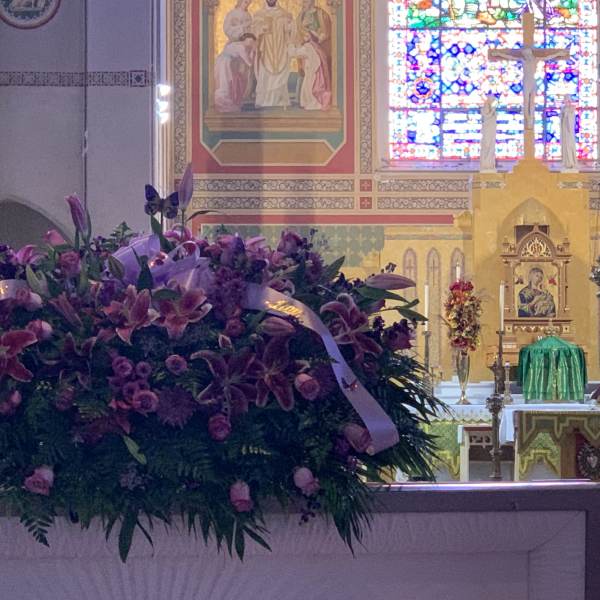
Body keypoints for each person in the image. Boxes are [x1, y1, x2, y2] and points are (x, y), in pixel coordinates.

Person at [252, 0, 294, 108]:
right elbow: (254, 31)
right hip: (266, 49)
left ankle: (279, 99)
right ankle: (265, 100)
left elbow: (289, 32)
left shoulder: (284, 14)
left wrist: (290, 27)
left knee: (279, 75)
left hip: (280, 48)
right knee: (265, 74)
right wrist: (261, 28)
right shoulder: (259, 14)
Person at [293, 0, 331, 110]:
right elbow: (297, 33)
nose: (303, 2)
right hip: (306, 49)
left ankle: (315, 100)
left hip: (318, 49)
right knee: (307, 75)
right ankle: (306, 100)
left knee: (315, 74)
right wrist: (302, 39)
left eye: (306, 1)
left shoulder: (321, 14)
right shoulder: (301, 16)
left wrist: (317, 36)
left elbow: (326, 32)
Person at [214, 33, 256, 113]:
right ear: (244, 40)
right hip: (226, 63)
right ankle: (225, 103)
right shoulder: (241, 48)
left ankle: (227, 100)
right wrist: (254, 52)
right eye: (250, 41)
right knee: (225, 82)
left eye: (252, 42)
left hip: (223, 61)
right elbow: (249, 63)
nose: (251, 44)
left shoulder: (236, 44)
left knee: (225, 82)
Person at [480, 94, 497, 171]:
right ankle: (486, 163)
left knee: (491, 146)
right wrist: (493, 110)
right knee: (487, 145)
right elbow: (487, 115)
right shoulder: (486, 108)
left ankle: (490, 163)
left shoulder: (492, 108)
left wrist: (493, 110)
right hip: (487, 129)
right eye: (492, 100)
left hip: (491, 129)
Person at [560, 95, 577, 171]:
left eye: (567, 100)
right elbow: (561, 118)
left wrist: (567, 114)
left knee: (570, 146)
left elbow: (571, 119)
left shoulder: (572, 108)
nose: (566, 102)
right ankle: (566, 163)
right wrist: (563, 114)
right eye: (565, 100)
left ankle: (571, 162)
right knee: (565, 145)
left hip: (569, 131)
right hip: (564, 130)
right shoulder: (563, 108)